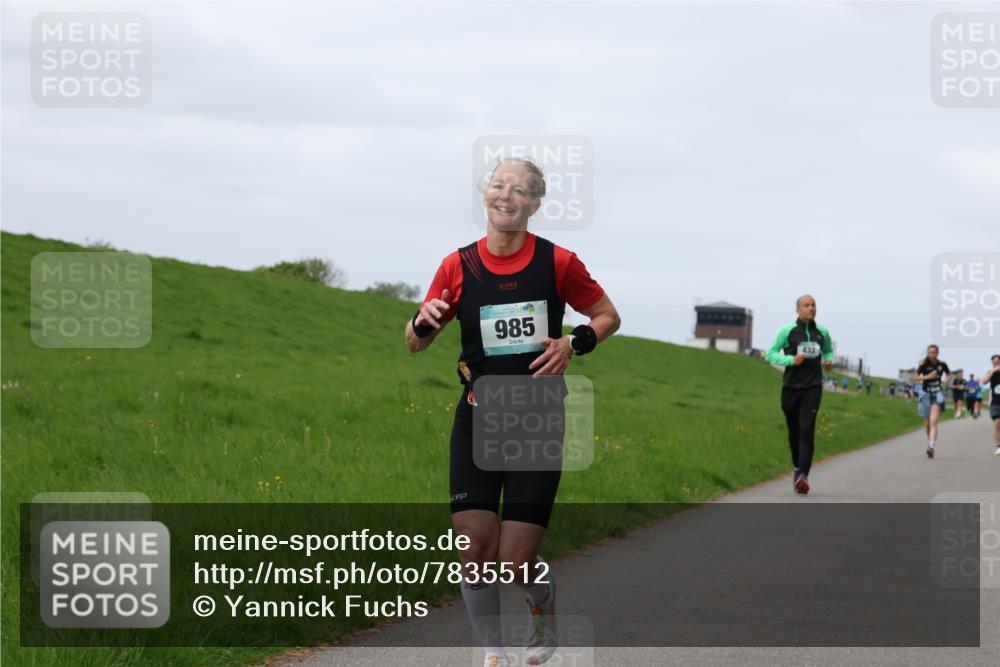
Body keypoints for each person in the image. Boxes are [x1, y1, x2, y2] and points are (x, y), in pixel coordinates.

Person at [406, 157, 621, 667]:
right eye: (498, 185)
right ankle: (494, 652)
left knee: (514, 559)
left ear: (535, 204)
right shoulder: (457, 266)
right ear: (486, 194)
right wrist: (422, 320)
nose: (506, 195)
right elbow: (415, 343)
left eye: (519, 190)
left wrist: (576, 341)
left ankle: (541, 605)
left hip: (538, 418)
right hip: (478, 416)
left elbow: (607, 314)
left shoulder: (558, 262)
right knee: (473, 546)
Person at [765, 295, 834, 495]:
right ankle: (797, 468)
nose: (811, 308)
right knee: (794, 431)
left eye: (813, 305)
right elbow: (770, 354)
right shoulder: (787, 331)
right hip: (790, 388)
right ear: (797, 309)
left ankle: (803, 475)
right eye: (806, 305)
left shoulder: (822, 332)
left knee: (806, 430)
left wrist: (828, 362)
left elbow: (828, 351)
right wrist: (790, 360)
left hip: (813, 387)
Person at [914, 344, 950, 458]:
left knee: (933, 422)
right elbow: (915, 377)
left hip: (937, 393)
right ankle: (930, 440)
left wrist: (945, 381)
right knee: (927, 424)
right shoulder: (923, 365)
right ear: (927, 353)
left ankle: (931, 446)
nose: (932, 355)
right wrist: (927, 377)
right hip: (925, 394)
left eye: (934, 352)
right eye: (930, 353)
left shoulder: (942, 365)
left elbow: (949, 374)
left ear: (937, 353)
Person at [982, 355, 1000, 456]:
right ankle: (998, 446)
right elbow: (983, 382)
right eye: (994, 363)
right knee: (997, 424)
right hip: (995, 402)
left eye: (998, 362)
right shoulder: (991, 373)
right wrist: (993, 371)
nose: (996, 364)